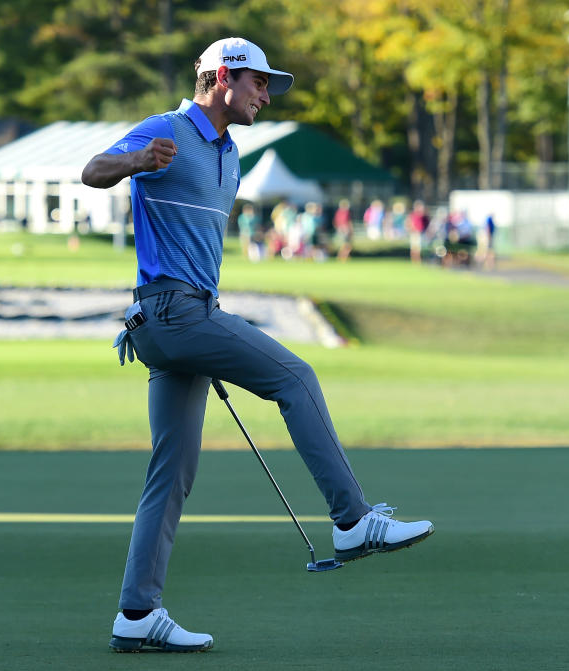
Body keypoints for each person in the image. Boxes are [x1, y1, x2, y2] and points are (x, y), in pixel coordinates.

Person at [81, 37, 434, 655]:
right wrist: (136, 163)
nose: (266, 96)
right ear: (223, 79)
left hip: (178, 321)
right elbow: (92, 173)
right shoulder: (164, 128)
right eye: (259, 84)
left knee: (172, 474)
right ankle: (352, 523)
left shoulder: (231, 154)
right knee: (295, 379)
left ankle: (136, 613)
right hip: (172, 315)